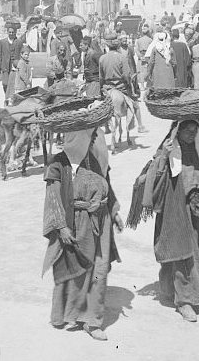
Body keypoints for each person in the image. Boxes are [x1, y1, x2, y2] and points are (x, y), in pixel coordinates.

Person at [129, 120, 199, 322]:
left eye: (195, 130)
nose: (192, 134)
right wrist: (164, 157)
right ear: (177, 132)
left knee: (197, 252)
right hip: (175, 210)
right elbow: (154, 181)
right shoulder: (168, 150)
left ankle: (174, 290)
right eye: (187, 130)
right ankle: (184, 301)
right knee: (181, 253)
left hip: (198, 210)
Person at [42, 125, 123, 341]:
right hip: (75, 222)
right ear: (77, 136)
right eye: (91, 135)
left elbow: (107, 186)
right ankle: (67, 313)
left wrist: (114, 212)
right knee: (75, 269)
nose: (95, 139)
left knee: (99, 270)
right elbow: (52, 197)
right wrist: (61, 226)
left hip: (100, 221)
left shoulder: (95, 159)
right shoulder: (58, 163)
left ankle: (92, 320)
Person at [0, 25, 23, 105]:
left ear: (15, 32)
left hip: (15, 66)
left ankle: (11, 99)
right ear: (7, 32)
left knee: (14, 84)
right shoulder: (2, 42)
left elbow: (22, 53)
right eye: (10, 32)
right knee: (5, 83)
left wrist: (21, 64)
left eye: (13, 32)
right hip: (5, 66)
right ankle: (7, 97)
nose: (11, 34)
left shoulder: (19, 42)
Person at [135, 24, 153, 98]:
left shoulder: (139, 40)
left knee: (141, 71)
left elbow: (136, 50)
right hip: (147, 57)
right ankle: (147, 86)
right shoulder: (150, 40)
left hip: (141, 56)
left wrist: (140, 56)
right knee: (148, 71)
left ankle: (142, 86)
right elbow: (151, 50)